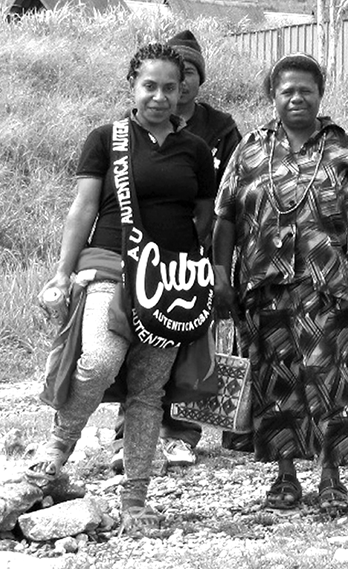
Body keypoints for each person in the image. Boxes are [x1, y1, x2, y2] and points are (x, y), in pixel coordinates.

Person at [33, 43, 218, 536]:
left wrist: (205, 275)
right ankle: (60, 441)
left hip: (169, 282)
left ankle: (136, 497)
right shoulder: (106, 138)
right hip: (110, 265)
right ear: (132, 87)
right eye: (149, 86)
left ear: (183, 92)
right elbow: (83, 208)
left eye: (170, 88)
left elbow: (204, 217)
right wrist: (61, 272)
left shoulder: (196, 150)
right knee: (99, 358)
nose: (159, 97)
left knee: (148, 391)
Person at [212, 53, 348, 515]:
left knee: (331, 380)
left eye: (306, 89)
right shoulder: (249, 148)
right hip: (266, 286)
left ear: (320, 95)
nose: (297, 97)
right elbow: (226, 217)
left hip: (326, 286)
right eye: (287, 90)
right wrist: (221, 274)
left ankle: (331, 478)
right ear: (273, 96)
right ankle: (285, 477)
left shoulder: (343, 149)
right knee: (276, 379)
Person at [110, 29, 242, 472]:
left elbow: (225, 199)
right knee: (136, 338)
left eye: (186, 75)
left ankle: (182, 432)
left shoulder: (219, 129)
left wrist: (212, 259)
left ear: (198, 79)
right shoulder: (130, 130)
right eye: (168, 77)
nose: (177, 86)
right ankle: (129, 431)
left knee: (186, 340)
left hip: (192, 255)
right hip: (140, 255)